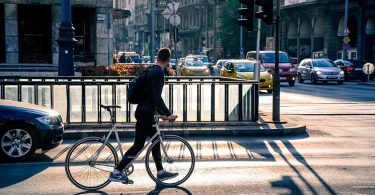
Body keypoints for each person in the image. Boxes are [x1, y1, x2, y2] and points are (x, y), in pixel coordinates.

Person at [109, 48, 178, 183]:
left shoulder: (152, 69)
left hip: (146, 112)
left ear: (157, 57)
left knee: (156, 140)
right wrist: (168, 114)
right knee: (138, 145)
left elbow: (150, 96)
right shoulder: (158, 73)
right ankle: (116, 171)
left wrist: (161, 115)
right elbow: (157, 98)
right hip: (145, 113)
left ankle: (160, 172)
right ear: (169, 60)